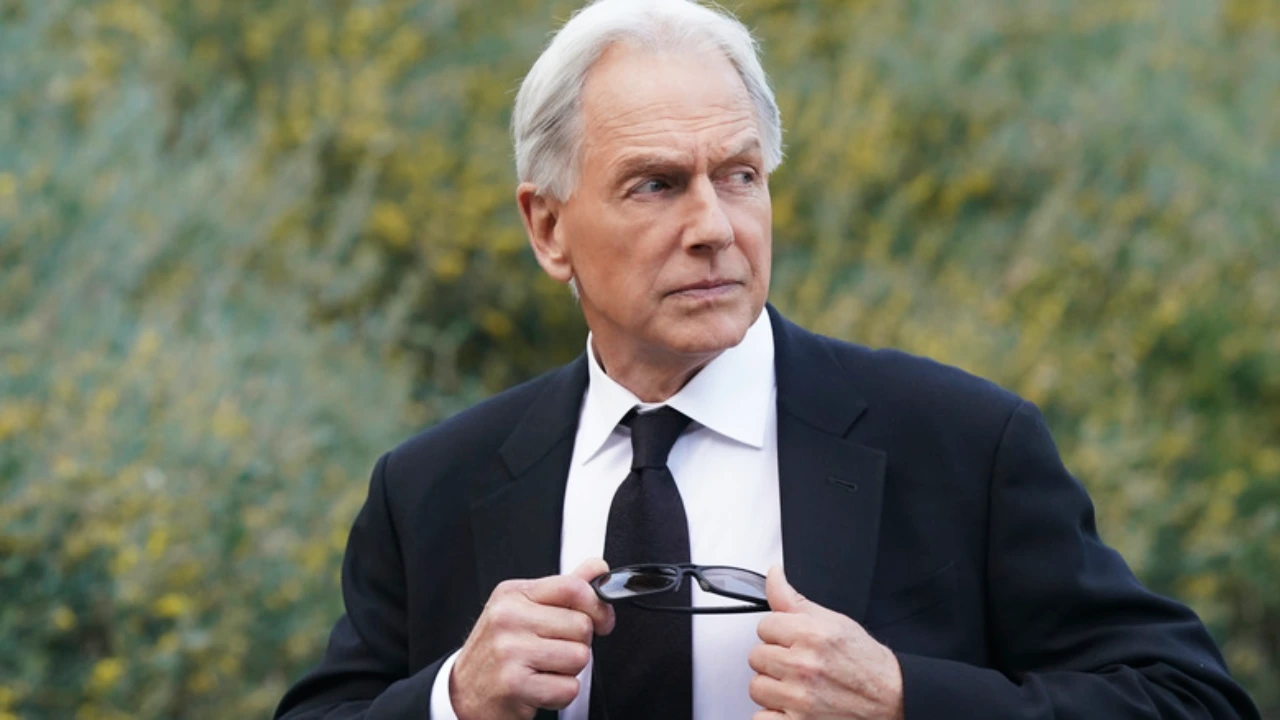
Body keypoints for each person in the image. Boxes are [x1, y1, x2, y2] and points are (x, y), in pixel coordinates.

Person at [274, 1, 1261, 719]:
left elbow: (1189, 700)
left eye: (739, 175)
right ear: (547, 228)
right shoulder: (432, 487)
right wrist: (452, 698)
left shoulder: (963, 445)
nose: (715, 226)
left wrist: (904, 698)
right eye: (657, 185)